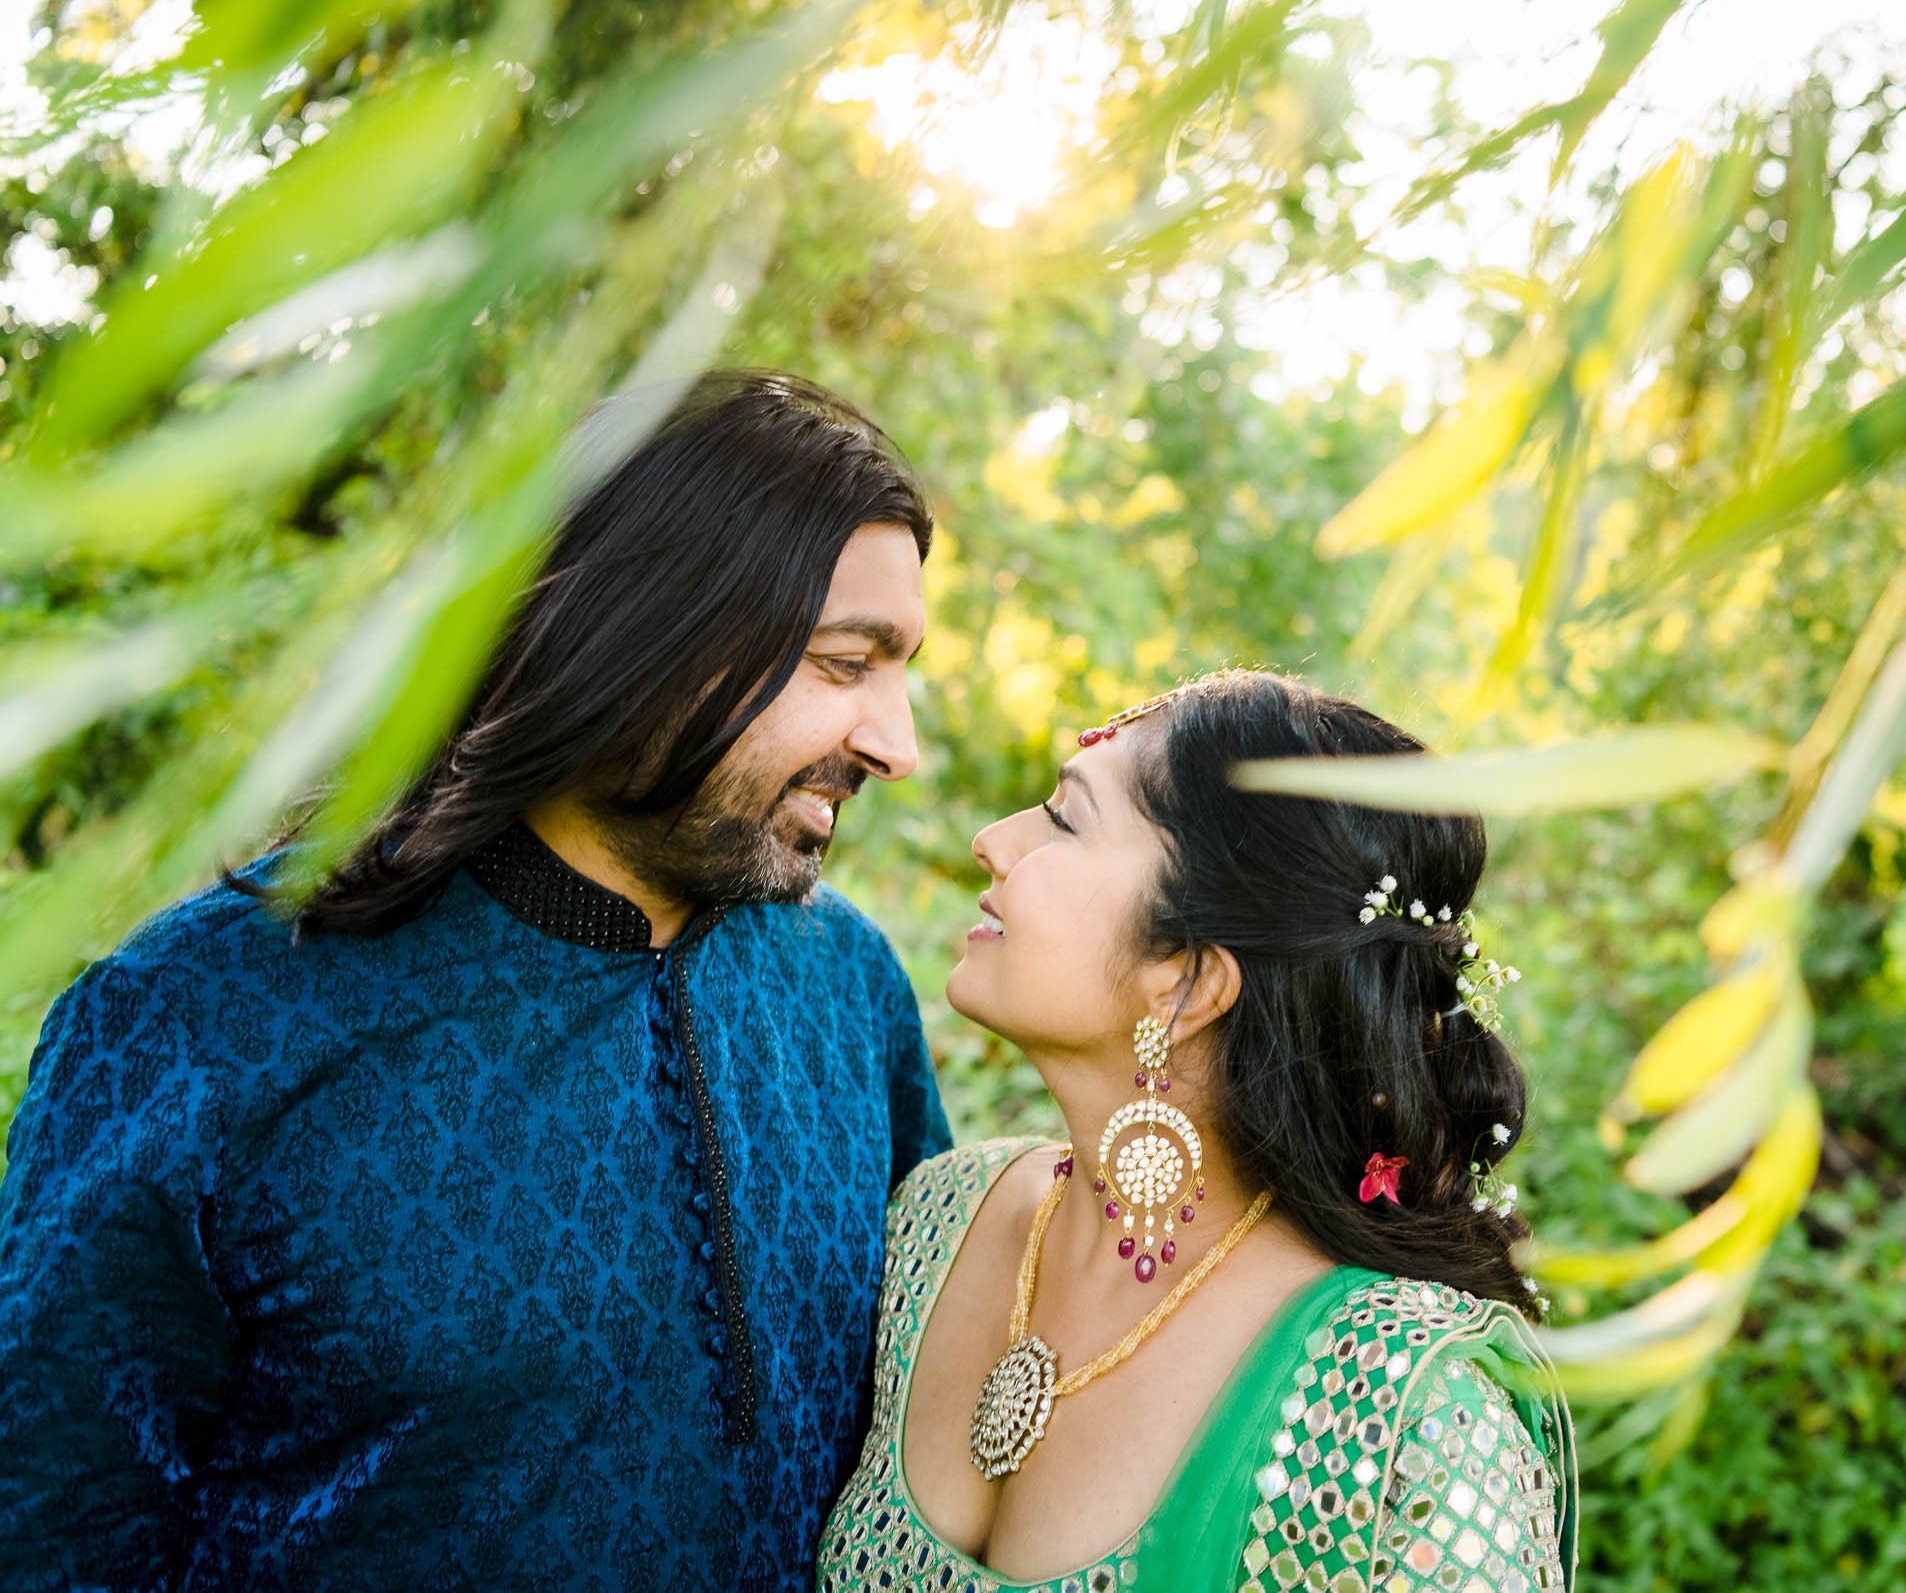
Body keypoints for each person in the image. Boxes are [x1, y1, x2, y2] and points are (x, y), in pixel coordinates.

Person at [0, 370, 952, 1591]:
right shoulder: (200, 1019)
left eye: (900, 668)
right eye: (843, 664)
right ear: (641, 634)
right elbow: (54, 1536)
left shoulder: (850, 988)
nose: (897, 741)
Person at [816, 669, 1576, 1592]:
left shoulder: (1397, 1415)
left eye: (1063, 819)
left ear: (1185, 982)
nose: (992, 842)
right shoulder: (939, 1215)